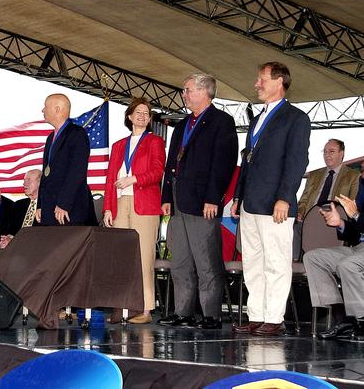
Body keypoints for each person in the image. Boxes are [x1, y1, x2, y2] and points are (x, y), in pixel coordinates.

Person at [231, 62, 311, 336]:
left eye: (261, 79)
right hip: (251, 203)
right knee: (252, 262)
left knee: (276, 262)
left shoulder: (296, 118)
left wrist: (285, 198)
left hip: (276, 204)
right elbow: (248, 160)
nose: (256, 84)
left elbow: (297, 161)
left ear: (279, 82)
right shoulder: (256, 119)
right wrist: (238, 196)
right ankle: (257, 316)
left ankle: (274, 319)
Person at [156, 74, 238, 329]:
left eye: (188, 90)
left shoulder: (221, 122)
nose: (184, 94)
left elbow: (223, 164)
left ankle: (211, 315)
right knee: (180, 260)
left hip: (204, 201)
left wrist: (213, 198)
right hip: (179, 201)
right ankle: (183, 312)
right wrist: (166, 196)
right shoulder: (181, 125)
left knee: (206, 261)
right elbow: (172, 162)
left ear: (204, 92)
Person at [303, 141, 364, 341]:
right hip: (361, 248)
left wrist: (355, 216)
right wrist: (341, 224)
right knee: (313, 258)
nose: (362, 164)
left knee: (349, 265)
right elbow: (357, 232)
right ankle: (344, 318)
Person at [103, 97, 166, 324]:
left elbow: (158, 172)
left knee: (143, 257)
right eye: (137, 112)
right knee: (120, 257)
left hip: (144, 205)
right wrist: (108, 209)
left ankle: (146, 309)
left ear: (149, 119)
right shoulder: (119, 145)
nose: (141, 115)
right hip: (120, 204)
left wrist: (134, 179)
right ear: (129, 117)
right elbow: (110, 179)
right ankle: (121, 308)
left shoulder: (155, 142)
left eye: (146, 113)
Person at [294, 139, 360, 258]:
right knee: (293, 226)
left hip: (334, 218)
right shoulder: (313, 175)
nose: (327, 155)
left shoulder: (353, 176)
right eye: (324, 152)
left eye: (331, 151)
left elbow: (353, 203)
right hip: (310, 217)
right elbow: (303, 200)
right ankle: (295, 263)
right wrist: (300, 212)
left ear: (342, 153)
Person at [35, 94, 91, 226]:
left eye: (46, 106)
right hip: (49, 209)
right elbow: (46, 174)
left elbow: (77, 172)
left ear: (57, 109)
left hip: (67, 210)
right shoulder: (50, 138)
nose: (43, 110)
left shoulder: (77, 134)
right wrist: (40, 205)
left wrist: (64, 204)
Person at [0, 169, 42, 268]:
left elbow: (41, 236)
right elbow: (11, 230)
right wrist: (8, 238)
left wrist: (14, 240)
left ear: (40, 183)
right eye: (24, 180)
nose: (24, 183)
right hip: (11, 246)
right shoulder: (19, 205)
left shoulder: (46, 207)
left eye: (28, 180)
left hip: (31, 249)